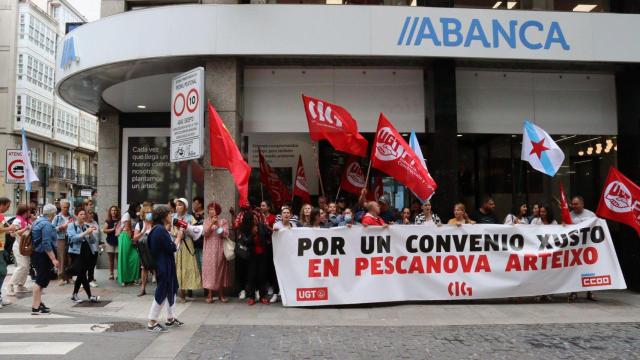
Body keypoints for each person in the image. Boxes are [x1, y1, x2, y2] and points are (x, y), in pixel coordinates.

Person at [147, 206, 183, 332]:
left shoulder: (158, 229)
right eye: (169, 214)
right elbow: (172, 248)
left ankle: (170, 318)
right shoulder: (160, 230)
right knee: (162, 291)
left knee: (171, 289)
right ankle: (152, 321)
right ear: (163, 216)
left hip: (165, 264)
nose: (171, 216)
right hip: (164, 265)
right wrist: (178, 238)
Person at [30, 204, 60, 315]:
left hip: (36, 254)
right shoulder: (47, 225)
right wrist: (53, 259)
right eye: (55, 213)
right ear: (52, 214)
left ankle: (39, 303)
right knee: (40, 280)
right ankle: (35, 307)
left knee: (41, 279)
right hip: (43, 255)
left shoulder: (37, 222)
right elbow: (46, 243)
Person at [66, 207, 100, 303]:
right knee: (82, 274)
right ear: (76, 215)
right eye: (81, 214)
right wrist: (85, 233)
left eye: (84, 214)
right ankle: (90, 296)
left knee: (82, 274)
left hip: (86, 252)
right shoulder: (71, 226)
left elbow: (93, 241)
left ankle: (74, 294)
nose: (83, 216)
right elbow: (73, 238)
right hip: (76, 252)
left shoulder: (86, 226)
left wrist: (90, 234)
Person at [569, 196, 597, 302]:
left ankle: (590, 292)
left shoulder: (591, 215)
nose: (574, 206)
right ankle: (573, 292)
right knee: (573, 270)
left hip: (588, 248)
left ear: (582, 204)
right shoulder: (570, 215)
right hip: (574, 249)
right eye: (572, 204)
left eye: (576, 204)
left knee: (589, 270)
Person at [172, 198, 201, 302]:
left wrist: (186, 231)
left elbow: (195, 232)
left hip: (187, 244)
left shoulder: (190, 217)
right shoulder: (172, 217)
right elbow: (170, 230)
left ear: (185, 207)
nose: (178, 207)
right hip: (176, 243)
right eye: (177, 205)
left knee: (187, 266)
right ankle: (180, 293)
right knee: (177, 267)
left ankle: (185, 292)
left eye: (180, 205)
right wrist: (177, 234)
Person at [202, 202, 230, 304]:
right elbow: (205, 234)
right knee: (210, 270)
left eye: (213, 209)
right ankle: (210, 294)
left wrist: (217, 224)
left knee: (220, 270)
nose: (210, 211)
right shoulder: (206, 221)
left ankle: (221, 294)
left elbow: (224, 234)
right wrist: (211, 224)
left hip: (219, 249)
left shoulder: (223, 221)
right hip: (209, 249)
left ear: (217, 211)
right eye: (209, 209)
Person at [7, 204, 33, 296]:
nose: (30, 212)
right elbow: (12, 233)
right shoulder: (17, 220)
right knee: (22, 266)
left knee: (26, 267)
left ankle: (20, 285)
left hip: (26, 246)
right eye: (28, 211)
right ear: (24, 212)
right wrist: (25, 229)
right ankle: (10, 285)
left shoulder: (27, 220)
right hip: (18, 246)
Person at [0, 197, 20, 308]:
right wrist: (9, 229)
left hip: (1, 248)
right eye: (7, 206)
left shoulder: (2, 216)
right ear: (2, 205)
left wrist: (12, 229)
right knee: (2, 272)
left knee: (2, 272)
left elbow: (7, 228)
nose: (8, 209)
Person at [133, 205, 154, 297]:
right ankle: (143, 288)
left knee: (156, 267)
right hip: (144, 250)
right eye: (147, 212)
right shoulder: (140, 224)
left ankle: (160, 288)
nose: (149, 214)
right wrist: (143, 231)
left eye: (150, 212)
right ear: (143, 214)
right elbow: (135, 238)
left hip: (154, 248)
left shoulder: (155, 223)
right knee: (144, 268)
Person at [118, 203, 141, 286]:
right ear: (134, 207)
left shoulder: (135, 216)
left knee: (135, 257)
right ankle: (123, 279)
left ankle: (132, 278)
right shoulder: (127, 215)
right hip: (126, 236)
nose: (140, 208)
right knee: (124, 258)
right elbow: (127, 228)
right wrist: (132, 239)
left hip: (132, 236)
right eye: (138, 207)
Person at [259, 201, 277, 302]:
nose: (261, 207)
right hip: (261, 246)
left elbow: (274, 230)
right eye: (261, 205)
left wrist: (266, 226)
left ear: (268, 208)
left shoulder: (273, 217)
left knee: (271, 267)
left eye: (263, 205)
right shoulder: (258, 217)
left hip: (271, 245)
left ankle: (273, 287)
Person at [52, 199, 73, 285]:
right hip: (61, 239)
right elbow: (52, 229)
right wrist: (62, 227)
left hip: (71, 238)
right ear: (60, 207)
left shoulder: (72, 217)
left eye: (67, 207)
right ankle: (61, 277)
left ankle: (69, 277)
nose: (66, 209)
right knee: (61, 258)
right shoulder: (57, 217)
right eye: (64, 207)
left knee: (70, 258)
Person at [85, 206, 102, 288]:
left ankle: (90, 279)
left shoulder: (95, 222)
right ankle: (83, 280)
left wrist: (101, 242)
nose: (92, 214)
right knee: (85, 265)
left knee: (92, 265)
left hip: (95, 247)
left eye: (92, 213)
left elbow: (99, 234)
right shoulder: (83, 224)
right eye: (90, 213)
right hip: (85, 248)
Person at [102, 206, 120, 280]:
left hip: (118, 242)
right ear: (110, 211)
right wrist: (113, 229)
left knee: (118, 259)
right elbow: (104, 230)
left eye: (115, 210)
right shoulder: (108, 221)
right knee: (111, 259)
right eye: (112, 210)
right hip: (110, 241)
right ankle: (111, 273)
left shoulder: (120, 220)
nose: (113, 212)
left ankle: (119, 274)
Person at [192, 196, 205, 277]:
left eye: (195, 203)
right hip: (194, 244)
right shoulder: (191, 215)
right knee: (197, 265)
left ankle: (205, 287)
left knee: (203, 264)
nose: (193, 205)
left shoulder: (205, 215)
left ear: (200, 205)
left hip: (203, 244)